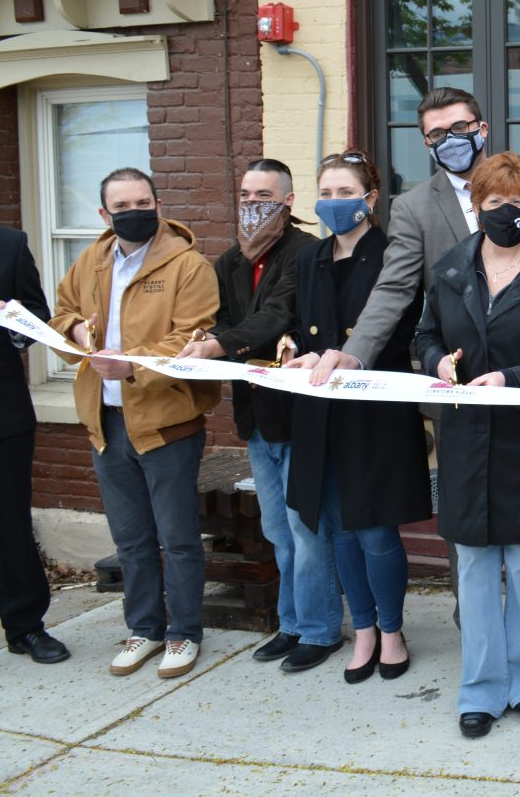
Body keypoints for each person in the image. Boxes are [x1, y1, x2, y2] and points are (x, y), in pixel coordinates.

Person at [303, 87, 520, 636]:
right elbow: (394, 288)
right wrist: (355, 353)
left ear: (481, 127)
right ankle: (472, 612)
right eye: (434, 134)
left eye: (459, 128)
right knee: (465, 510)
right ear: (424, 142)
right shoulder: (414, 208)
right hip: (456, 383)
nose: (449, 141)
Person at [416, 152, 520, 738]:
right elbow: (426, 335)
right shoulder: (451, 270)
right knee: (477, 570)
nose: (505, 212)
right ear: (476, 207)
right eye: (493, 204)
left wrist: (513, 378)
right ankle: (481, 689)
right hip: (465, 437)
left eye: (517, 204)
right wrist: (439, 361)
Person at [49, 168, 220, 678]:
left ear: (158, 202)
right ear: (105, 214)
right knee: (131, 539)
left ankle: (183, 632)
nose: (134, 212)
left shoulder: (188, 265)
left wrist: (132, 364)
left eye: (142, 201)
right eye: (122, 206)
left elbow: (191, 338)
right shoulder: (92, 261)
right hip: (106, 422)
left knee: (178, 538)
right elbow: (60, 313)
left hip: (166, 423)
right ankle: (143, 628)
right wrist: (76, 327)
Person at [177, 159, 342, 672]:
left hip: (298, 414)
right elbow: (227, 319)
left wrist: (220, 344)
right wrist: (210, 340)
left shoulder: (306, 254)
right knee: (277, 530)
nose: (253, 203)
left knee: (307, 530)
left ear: (289, 201)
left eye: (264, 195)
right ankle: (290, 624)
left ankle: (319, 630)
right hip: (254, 416)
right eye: (246, 194)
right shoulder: (230, 261)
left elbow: (279, 317)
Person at [284, 151, 432, 683]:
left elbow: (397, 328)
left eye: (346, 192)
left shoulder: (393, 253)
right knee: (339, 528)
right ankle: (363, 627)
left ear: (370, 199)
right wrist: (297, 350)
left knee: (375, 529)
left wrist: (343, 353)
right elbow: (305, 327)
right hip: (321, 410)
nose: (334, 202)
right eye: (326, 190)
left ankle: (392, 630)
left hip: (374, 410)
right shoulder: (310, 258)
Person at [0, 226, 70, 664]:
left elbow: (37, 320)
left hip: (2, 414)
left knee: (11, 525)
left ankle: (25, 627)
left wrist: (15, 322)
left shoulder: (9, 245)